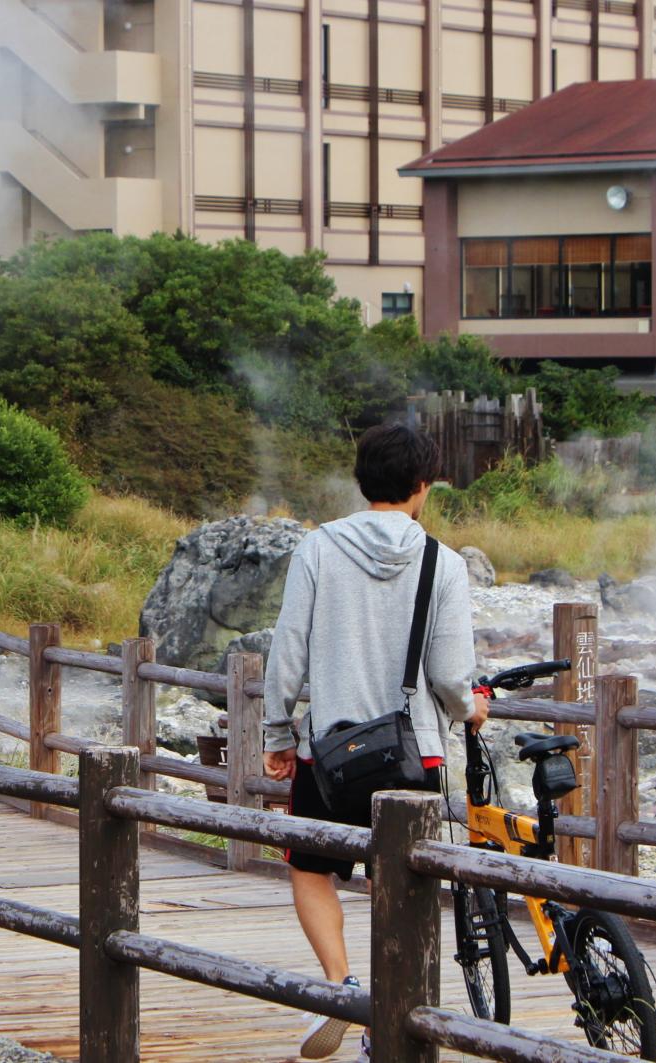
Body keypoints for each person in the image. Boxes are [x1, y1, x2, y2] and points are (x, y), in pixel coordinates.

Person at [262, 421, 489, 1061]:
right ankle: (386, 1029)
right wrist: (470, 709)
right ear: (423, 486)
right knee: (403, 887)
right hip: (415, 755)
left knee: (310, 869)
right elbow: (449, 675)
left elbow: (288, 652)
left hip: (330, 754)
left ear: (362, 481)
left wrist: (279, 732)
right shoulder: (442, 562)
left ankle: (342, 985)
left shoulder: (318, 549)